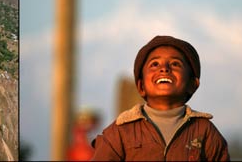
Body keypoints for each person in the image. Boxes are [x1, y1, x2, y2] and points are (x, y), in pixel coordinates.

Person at [92, 35, 229, 161]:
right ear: (141, 86)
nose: (164, 69)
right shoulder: (120, 131)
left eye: (175, 64)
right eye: (155, 64)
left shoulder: (204, 131)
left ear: (192, 84)